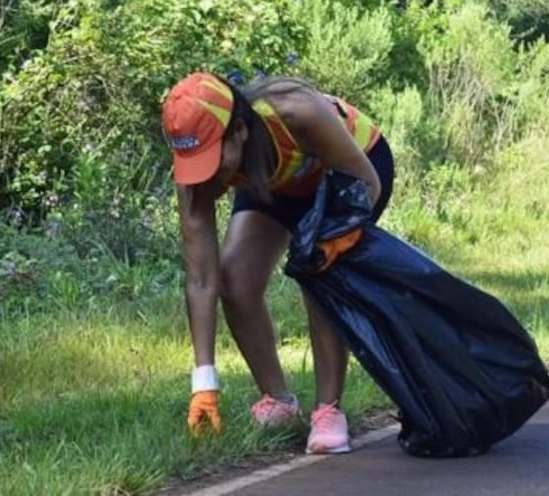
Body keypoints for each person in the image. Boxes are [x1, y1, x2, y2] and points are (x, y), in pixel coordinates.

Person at [161, 71, 395, 454]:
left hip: (352, 171)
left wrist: (334, 241)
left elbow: (368, 182)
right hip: (274, 182)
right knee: (235, 277)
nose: (206, 177)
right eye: (194, 163)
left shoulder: (295, 111)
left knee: (319, 269)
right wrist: (204, 382)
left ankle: (328, 410)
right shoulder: (197, 171)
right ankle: (279, 401)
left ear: (239, 130)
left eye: (211, 160)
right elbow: (202, 278)